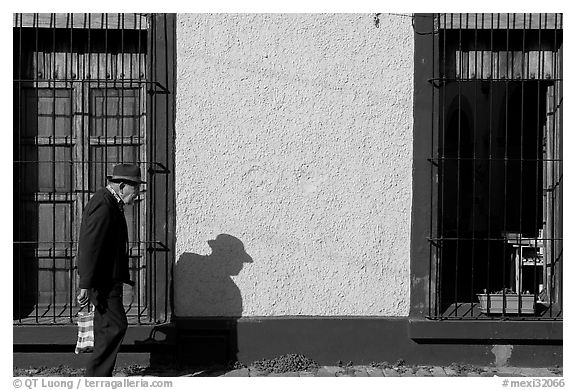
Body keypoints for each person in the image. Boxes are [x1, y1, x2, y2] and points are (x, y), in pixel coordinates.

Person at [76, 163, 144, 376]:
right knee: (116, 326)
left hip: (107, 279)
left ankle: (99, 376)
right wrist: (85, 284)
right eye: (136, 189)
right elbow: (90, 245)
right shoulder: (104, 204)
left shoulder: (110, 203)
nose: (137, 195)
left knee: (106, 328)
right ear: (123, 186)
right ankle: (96, 377)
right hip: (102, 281)